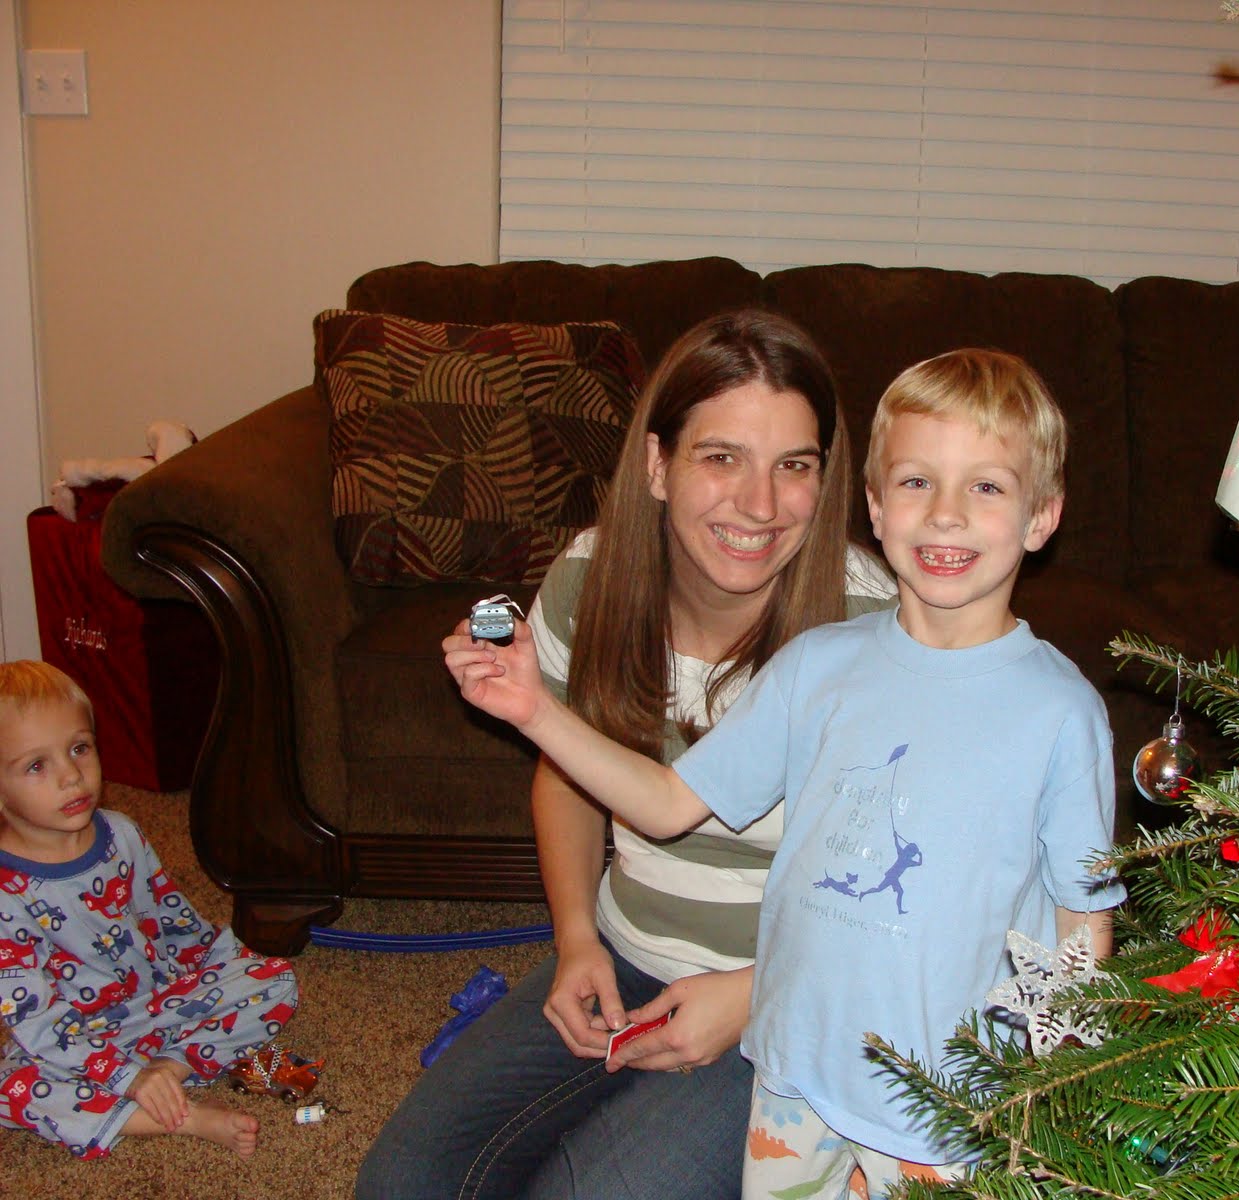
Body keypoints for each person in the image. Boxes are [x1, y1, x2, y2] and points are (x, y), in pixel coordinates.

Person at [443, 348, 1126, 1198]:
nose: (946, 514)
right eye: (916, 482)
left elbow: (1081, 919)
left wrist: (1062, 1083)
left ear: (1041, 516)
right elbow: (667, 803)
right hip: (794, 1072)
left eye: (986, 487)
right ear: (874, 504)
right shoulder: (816, 665)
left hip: (953, 1096)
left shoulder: (1060, 713)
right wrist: (533, 711)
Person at [357, 309, 896, 1200]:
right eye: (721, 457)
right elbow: (567, 776)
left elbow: (910, 897)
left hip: (794, 995)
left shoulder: (871, 627)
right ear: (656, 465)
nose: (760, 505)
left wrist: (754, 995)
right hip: (628, 950)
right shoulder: (591, 577)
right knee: (403, 1183)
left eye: (794, 466)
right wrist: (575, 940)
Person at [0, 660, 298, 1160]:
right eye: (37, 765)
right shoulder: (6, 893)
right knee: (15, 1090)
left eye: (79, 748)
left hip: (156, 1004)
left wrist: (227, 969)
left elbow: (177, 924)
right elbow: (38, 1023)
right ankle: (181, 1119)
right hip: (73, 1039)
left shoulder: (122, 834)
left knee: (275, 978)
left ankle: (169, 1072)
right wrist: (122, 1075)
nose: (71, 776)